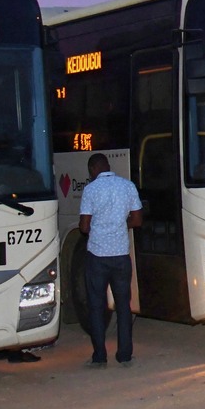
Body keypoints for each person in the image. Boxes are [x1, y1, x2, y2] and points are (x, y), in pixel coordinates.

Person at [78, 153, 142, 366]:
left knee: (97, 306)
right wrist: (120, 226)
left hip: (97, 257)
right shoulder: (127, 186)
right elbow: (137, 219)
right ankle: (125, 355)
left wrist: (100, 226)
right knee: (124, 306)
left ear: (93, 169)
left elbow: (84, 227)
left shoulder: (91, 189)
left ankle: (99, 357)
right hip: (121, 256)